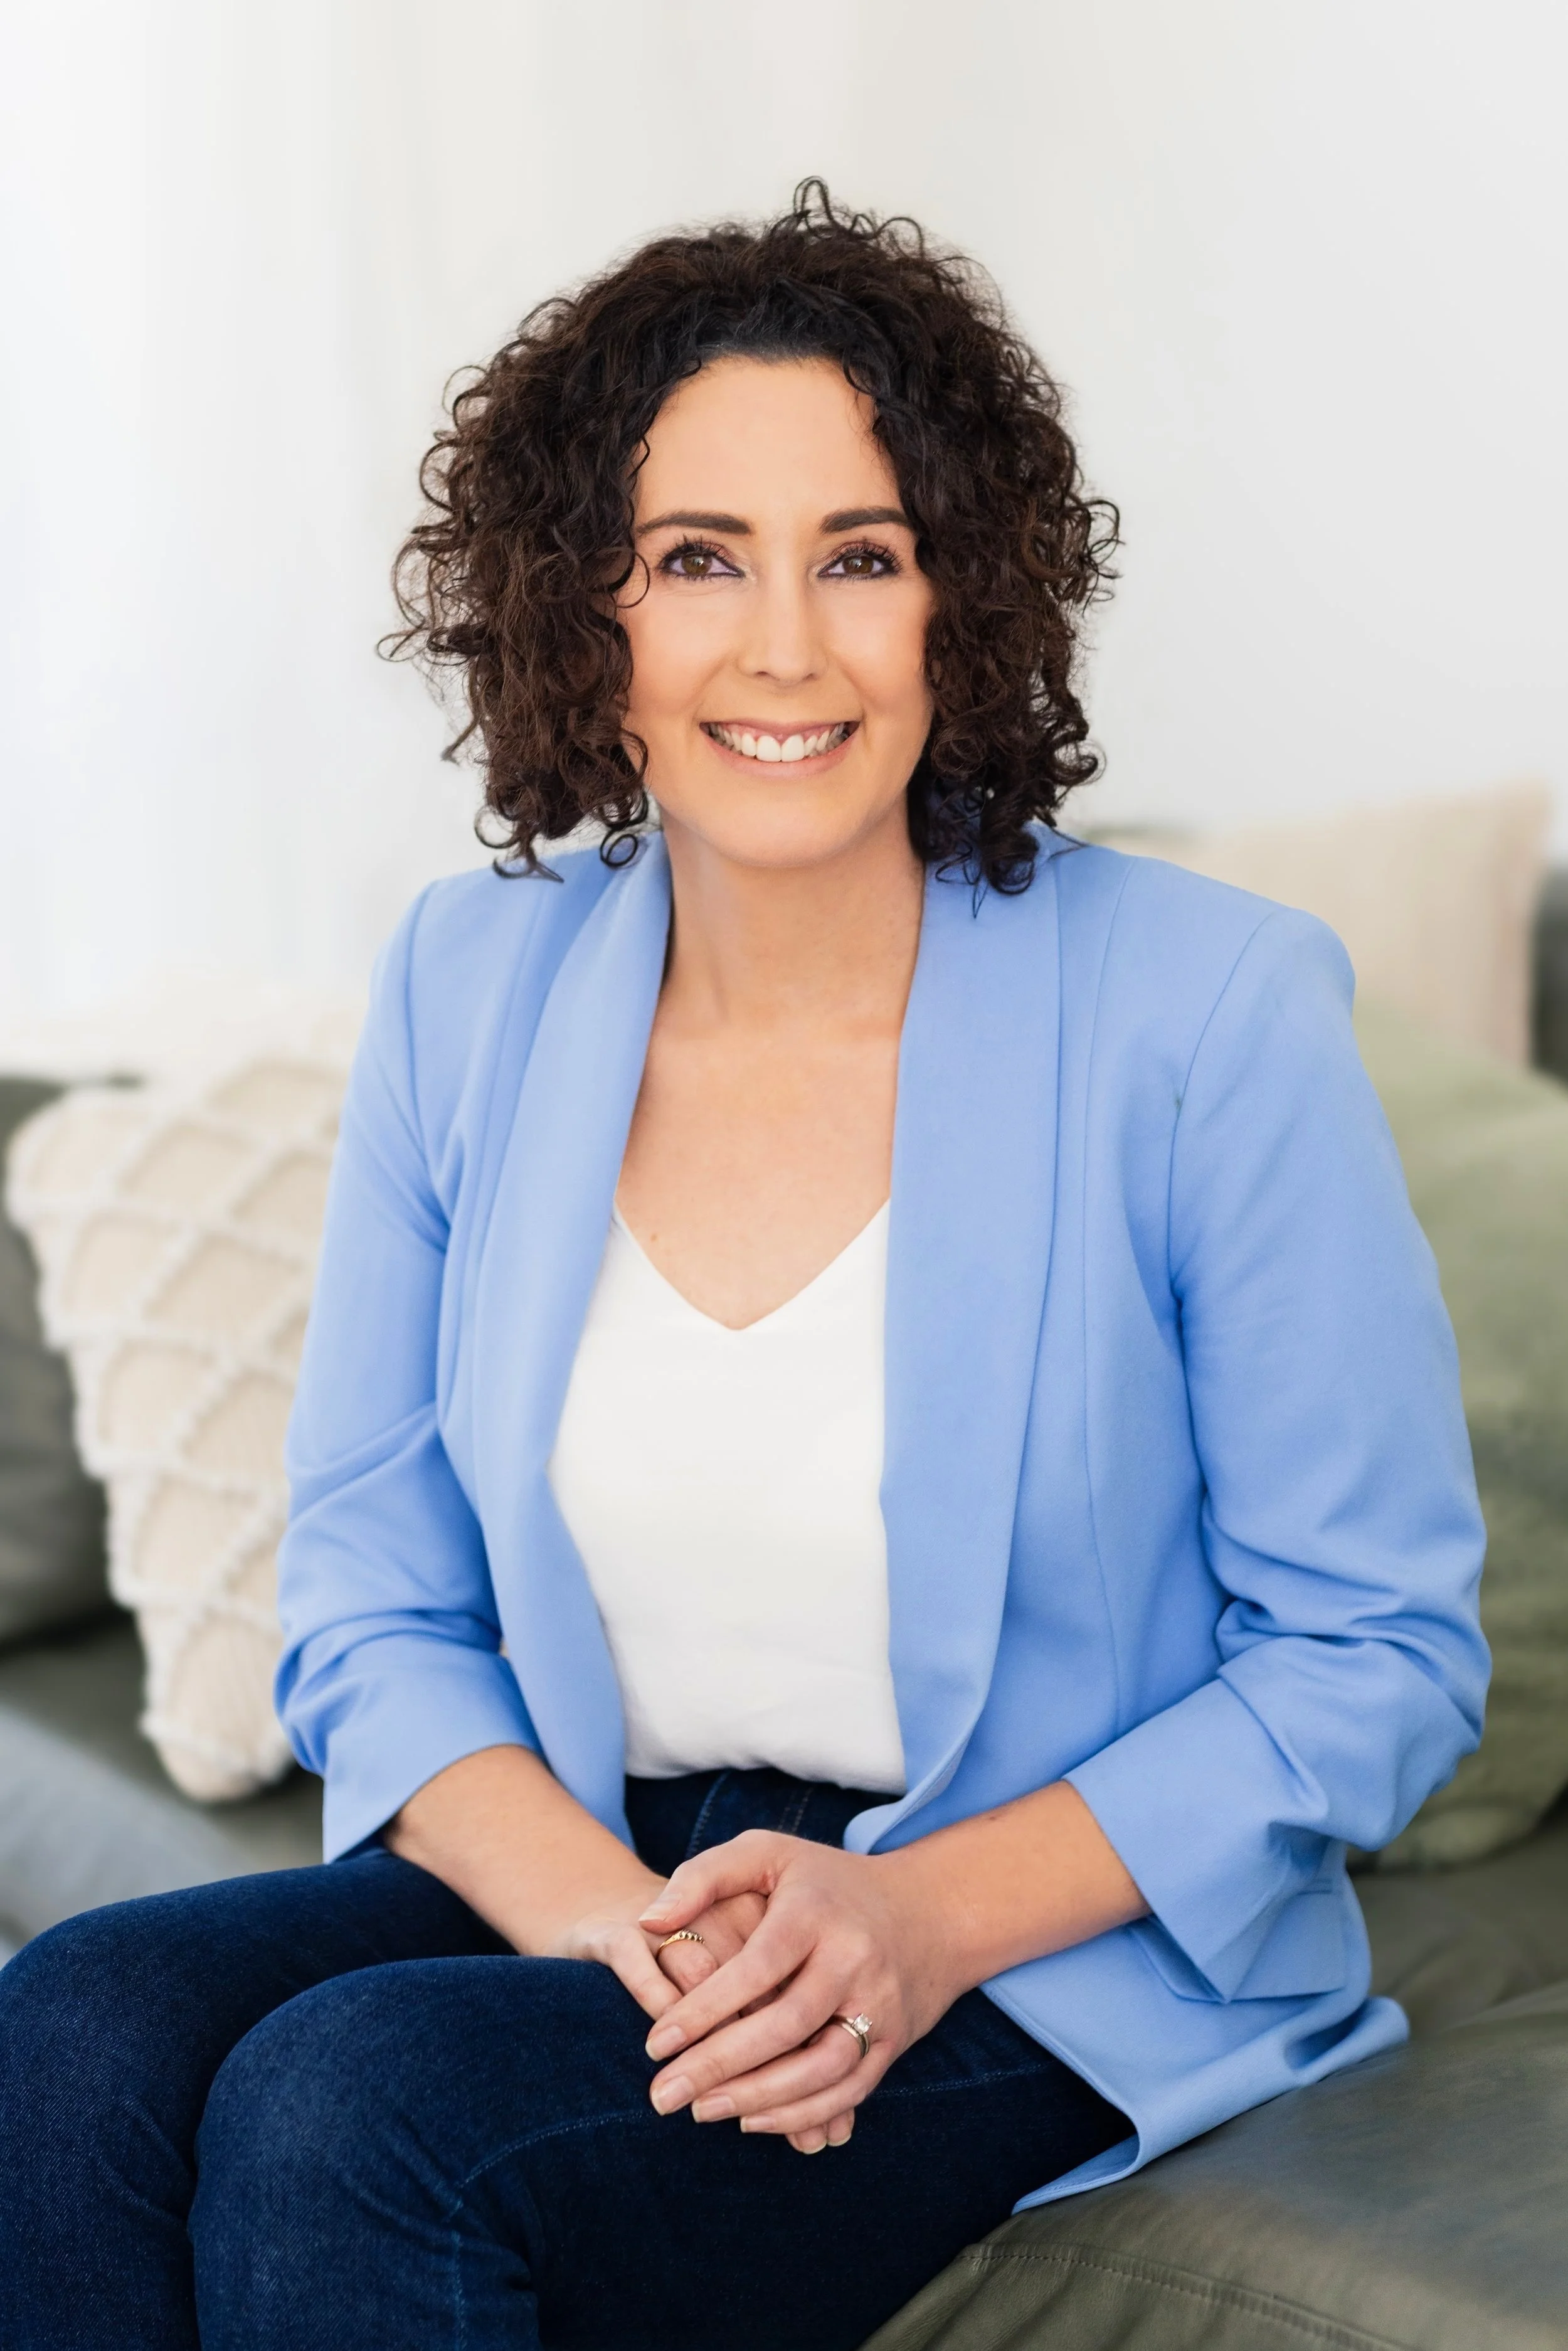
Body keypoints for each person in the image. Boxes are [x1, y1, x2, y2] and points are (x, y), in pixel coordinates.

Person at [0, 183, 1487, 2351]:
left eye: (859, 557)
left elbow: (1375, 1653)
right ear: (578, 612)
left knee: (359, 2112)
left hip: (1029, 1914)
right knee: (72, 2031)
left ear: (961, 599)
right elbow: (369, 1589)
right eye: (699, 557)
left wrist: (914, 1915)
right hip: (616, 1845)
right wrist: (605, 1917)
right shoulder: (470, 983)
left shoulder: (1205, 1011)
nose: (784, 646)